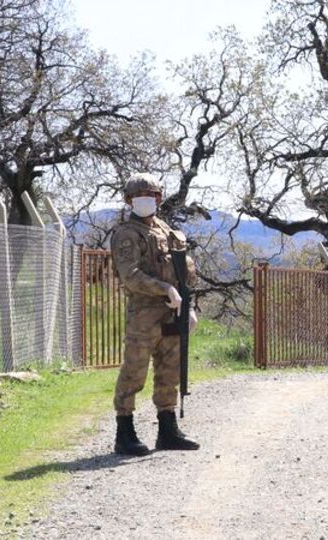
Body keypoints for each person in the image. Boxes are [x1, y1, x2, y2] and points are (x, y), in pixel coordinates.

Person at [109, 173, 200, 456]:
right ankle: (125, 432)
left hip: (172, 312)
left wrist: (188, 305)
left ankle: (167, 430)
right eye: (139, 196)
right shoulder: (127, 234)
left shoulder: (165, 230)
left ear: (159, 198)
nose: (147, 200)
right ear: (129, 200)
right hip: (144, 314)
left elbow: (183, 272)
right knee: (134, 371)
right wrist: (163, 289)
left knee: (169, 369)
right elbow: (130, 276)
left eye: (151, 195)